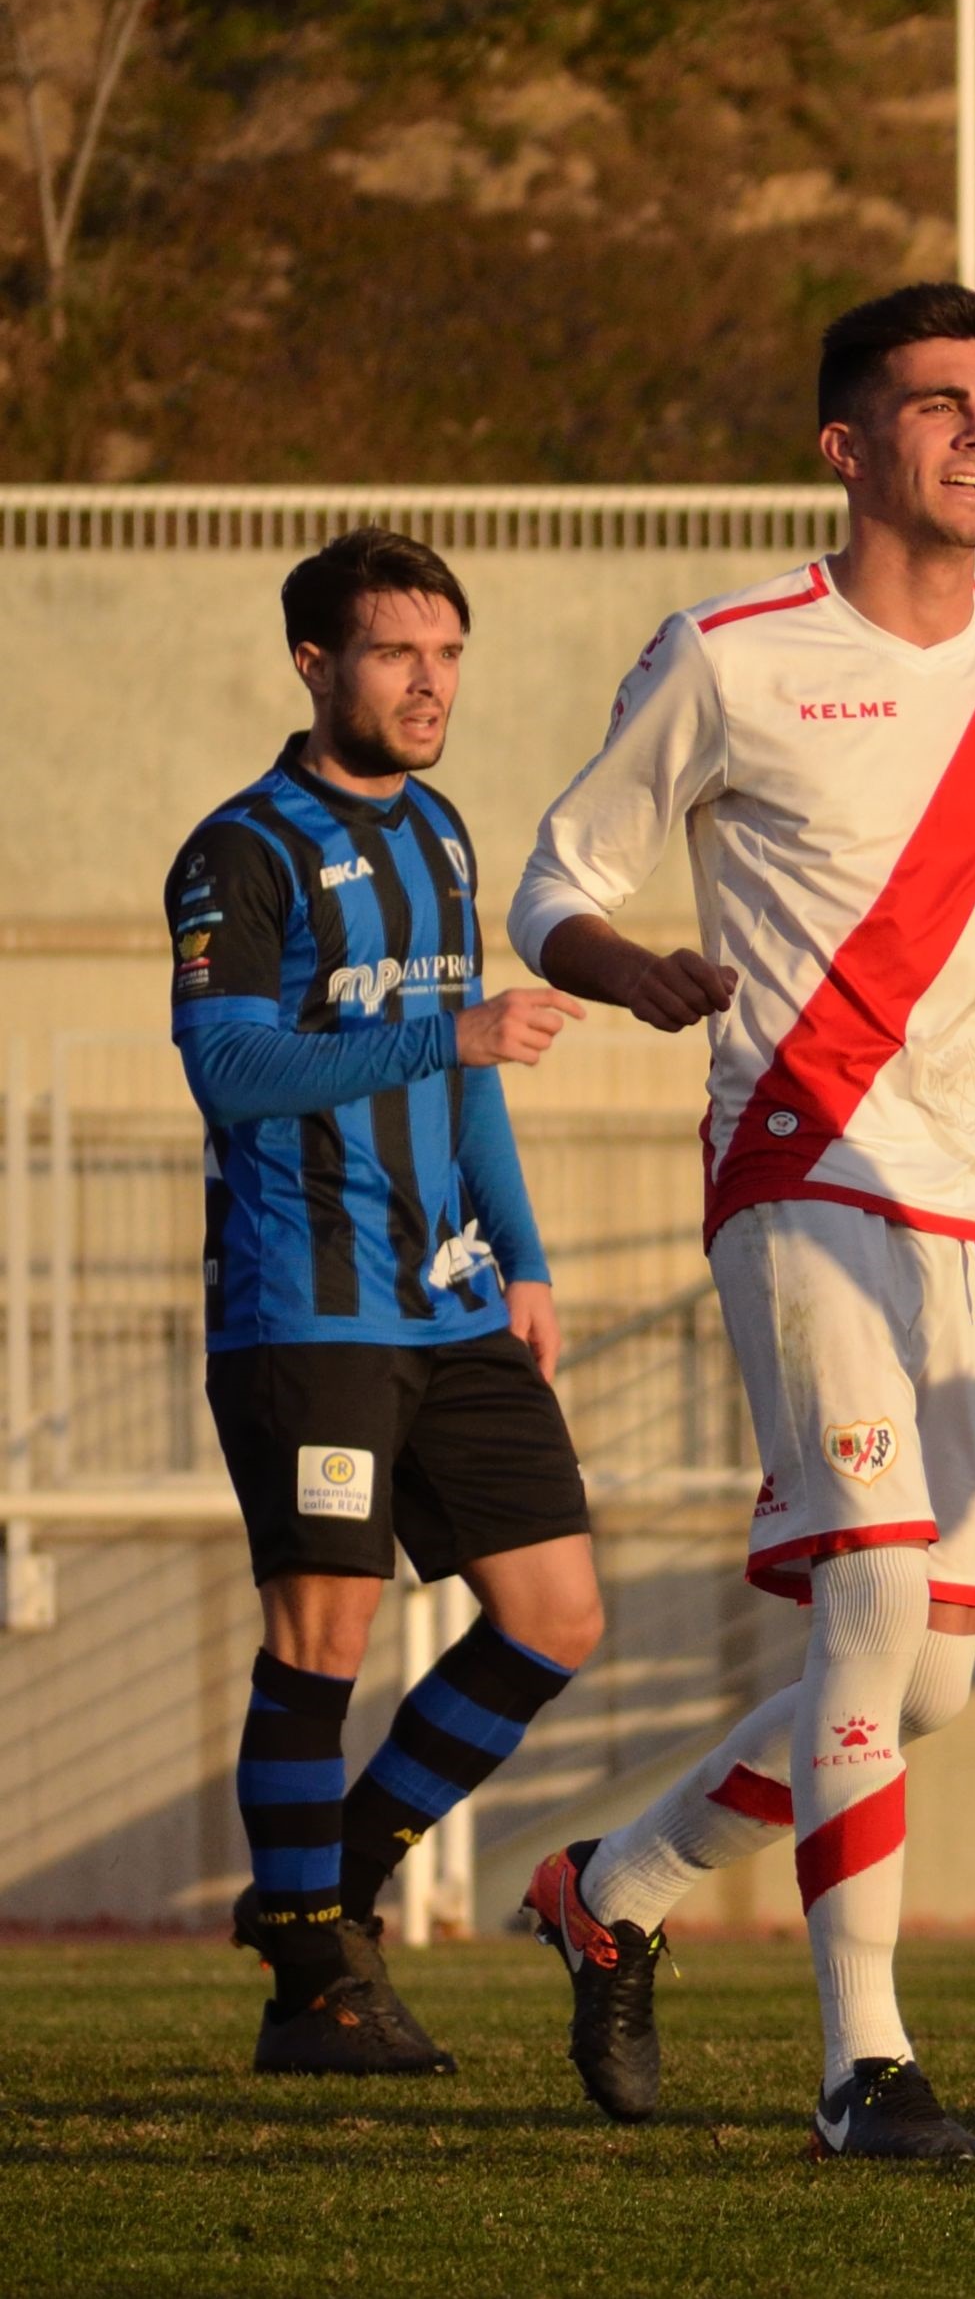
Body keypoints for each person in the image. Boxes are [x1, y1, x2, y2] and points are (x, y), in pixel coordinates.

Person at [499, 283, 975, 2159]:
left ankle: (616, 1886)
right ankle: (862, 2063)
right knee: (879, 1593)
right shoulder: (731, 651)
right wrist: (631, 967)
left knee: (920, 1674)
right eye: (936, 404)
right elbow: (550, 877)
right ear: (846, 446)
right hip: (799, 1170)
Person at [173, 527, 603, 2076]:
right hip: (309, 1310)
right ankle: (314, 1996)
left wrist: (528, 1252)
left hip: (456, 1303)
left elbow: (466, 1062)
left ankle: (320, 1894)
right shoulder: (240, 850)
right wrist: (451, 1039)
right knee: (324, 1632)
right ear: (315, 663)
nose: (431, 684)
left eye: (449, 653)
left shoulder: (441, 833)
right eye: (396, 653)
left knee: (556, 1619)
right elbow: (229, 1069)